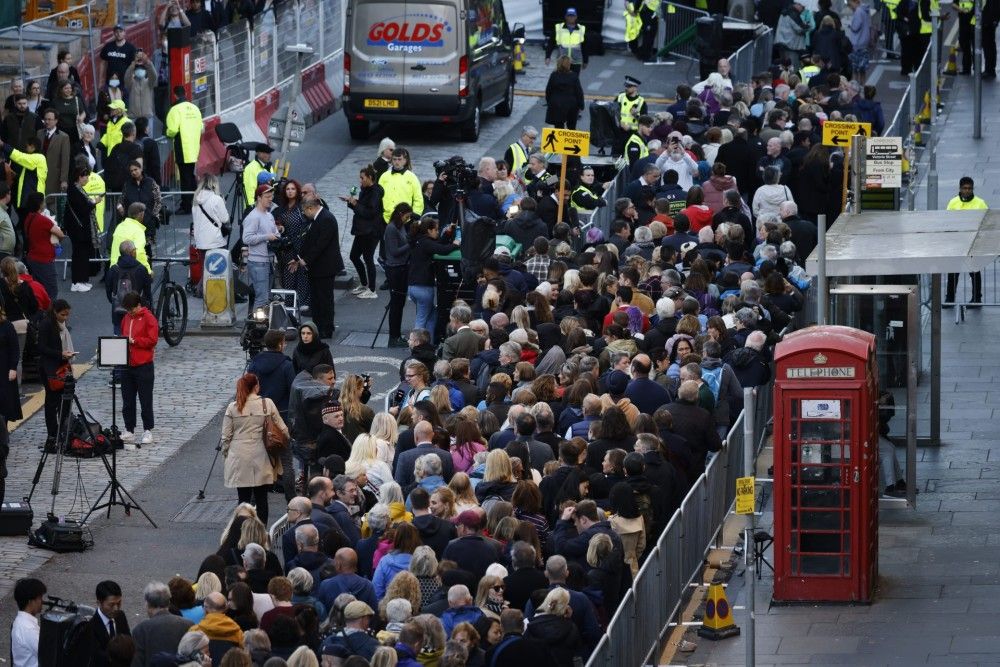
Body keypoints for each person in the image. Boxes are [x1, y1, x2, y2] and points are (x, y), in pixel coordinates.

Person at [222, 373, 289, 524]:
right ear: (256, 387)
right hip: (262, 454)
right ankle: (261, 533)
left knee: (243, 498)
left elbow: (225, 437)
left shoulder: (233, 407)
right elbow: (283, 430)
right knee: (262, 498)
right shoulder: (267, 404)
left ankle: (241, 532)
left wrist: (227, 454)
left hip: (239, 455)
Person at [407, 215, 459, 340]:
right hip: (424, 287)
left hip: (412, 287)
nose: (437, 232)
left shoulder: (418, 241)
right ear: (429, 230)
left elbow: (437, 244)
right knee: (421, 319)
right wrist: (455, 244)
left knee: (432, 315)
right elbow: (442, 249)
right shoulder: (426, 243)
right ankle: (415, 344)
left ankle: (430, 343)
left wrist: (447, 234)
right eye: (436, 230)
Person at [298, 196, 343, 339]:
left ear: (310, 208)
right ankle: (319, 326)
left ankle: (326, 328)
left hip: (325, 267)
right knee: (317, 299)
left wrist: (306, 260)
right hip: (318, 267)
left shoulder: (326, 219)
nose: (304, 214)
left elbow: (320, 244)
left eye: (304, 211)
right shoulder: (319, 218)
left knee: (324, 299)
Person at [119, 291, 159, 446]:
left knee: (145, 400)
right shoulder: (126, 318)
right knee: (127, 400)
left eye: (132, 309)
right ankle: (129, 429)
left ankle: (148, 429)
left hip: (144, 365)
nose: (130, 312)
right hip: (127, 364)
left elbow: (152, 340)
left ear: (138, 305)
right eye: (128, 310)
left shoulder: (149, 318)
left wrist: (134, 341)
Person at [130, 581, 195, 667]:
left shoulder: (140, 629)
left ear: (148, 604)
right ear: (168, 602)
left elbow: (137, 662)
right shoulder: (188, 624)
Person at [946, 177, 989, 305]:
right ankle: (950, 298)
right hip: (957, 244)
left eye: (969, 188)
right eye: (965, 188)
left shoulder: (980, 203)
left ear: (973, 189)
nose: (967, 191)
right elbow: (947, 221)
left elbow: (986, 221)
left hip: (973, 243)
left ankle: (976, 298)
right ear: (960, 189)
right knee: (953, 272)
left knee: (974, 271)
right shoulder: (953, 203)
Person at [345, 165, 384, 299]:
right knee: (354, 256)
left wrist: (356, 204)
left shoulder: (375, 192)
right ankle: (364, 283)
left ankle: (372, 290)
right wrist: (351, 203)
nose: (360, 180)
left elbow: (370, 212)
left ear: (370, 178)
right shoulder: (364, 190)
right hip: (362, 230)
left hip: (371, 231)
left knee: (368, 258)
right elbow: (361, 209)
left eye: (362, 178)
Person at [273, 179, 310, 312]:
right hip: (286, 248)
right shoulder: (281, 208)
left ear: (297, 191)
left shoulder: (301, 207)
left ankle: (304, 307)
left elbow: (306, 227)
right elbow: (275, 224)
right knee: (288, 279)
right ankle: (289, 309)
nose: (290, 191)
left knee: (302, 278)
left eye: (293, 189)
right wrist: (279, 227)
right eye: (288, 189)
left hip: (301, 247)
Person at [165, 86, 203, 212]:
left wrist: (167, 134)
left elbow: (172, 130)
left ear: (175, 95)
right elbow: (201, 127)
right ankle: (196, 201)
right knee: (190, 176)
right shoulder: (195, 108)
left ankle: (186, 206)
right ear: (185, 93)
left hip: (182, 147)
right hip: (193, 147)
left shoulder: (175, 110)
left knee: (185, 178)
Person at [243, 183, 280, 309]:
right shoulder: (253, 217)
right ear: (259, 198)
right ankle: (256, 327)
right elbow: (246, 238)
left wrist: (277, 235)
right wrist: (266, 237)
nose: (271, 199)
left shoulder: (269, 215)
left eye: (271, 196)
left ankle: (260, 324)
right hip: (257, 262)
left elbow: (275, 233)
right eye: (267, 196)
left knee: (266, 297)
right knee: (261, 298)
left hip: (268, 261)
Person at [21, 191, 64, 299]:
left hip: (32, 257)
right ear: (40, 204)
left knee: (39, 288)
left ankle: (40, 311)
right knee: (52, 290)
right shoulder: (43, 220)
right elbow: (61, 234)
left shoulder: (28, 218)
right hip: (44, 259)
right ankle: (49, 314)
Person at [64, 164, 99, 292]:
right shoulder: (74, 191)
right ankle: (77, 281)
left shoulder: (76, 189)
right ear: (79, 177)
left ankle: (82, 280)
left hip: (80, 228)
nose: (87, 179)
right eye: (86, 177)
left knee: (83, 255)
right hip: (78, 229)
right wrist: (94, 202)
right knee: (79, 255)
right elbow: (83, 208)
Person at [80, 580, 131, 667]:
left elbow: (128, 641)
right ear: (99, 603)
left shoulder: (121, 616)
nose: (116, 608)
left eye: (119, 603)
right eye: (111, 605)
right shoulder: (90, 627)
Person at [384, 203, 412, 347]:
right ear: (401, 214)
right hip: (395, 269)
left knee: (399, 304)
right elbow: (394, 251)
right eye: (407, 216)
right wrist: (410, 244)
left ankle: (397, 334)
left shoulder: (400, 226)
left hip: (402, 267)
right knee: (396, 304)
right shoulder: (391, 229)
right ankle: (393, 336)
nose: (408, 219)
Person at [379, 148, 423, 226]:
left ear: (405, 160)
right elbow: (378, 196)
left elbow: (418, 198)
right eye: (394, 159)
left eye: (399, 159)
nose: (397, 162)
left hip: (406, 219)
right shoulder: (384, 176)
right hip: (385, 218)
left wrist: (415, 214)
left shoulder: (412, 177)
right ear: (391, 160)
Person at [110, 202, 152, 277]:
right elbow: (138, 252)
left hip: (115, 269)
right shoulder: (138, 230)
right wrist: (148, 270)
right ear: (140, 214)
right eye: (143, 214)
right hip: (130, 271)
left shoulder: (120, 226)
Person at [192, 173, 230, 255]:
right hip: (215, 241)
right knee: (219, 267)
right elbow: (225, 219)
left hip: (201, 242)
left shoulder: (196, 200)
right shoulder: (217, 199)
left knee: (204, 266)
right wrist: (223, 203)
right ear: (214, 185)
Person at [11, 577, 46, 667]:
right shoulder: (28, 629)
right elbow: (47, 654)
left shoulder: (20, 622)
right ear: (30, 601)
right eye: (40, 598)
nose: (42, 601)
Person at [544, 56, 584, 130]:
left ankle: (560, 141)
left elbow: (548, 90)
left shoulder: (554, 75)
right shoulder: (573, 76)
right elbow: (579, 92)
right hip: (571, 105)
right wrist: (581, 105)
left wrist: (549, 102)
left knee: (558, 128)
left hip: (557, 104)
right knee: (571, 128)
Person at [36, 108, 70, 195]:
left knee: (52, 202)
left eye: (50, 119)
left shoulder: (63, 137)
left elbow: (65, 160)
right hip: (39, 174)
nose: (47, 122)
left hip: (54, 176)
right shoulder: (39, 133)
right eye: (45, 119)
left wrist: (64, 180)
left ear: (56, 121)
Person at [545, 7, 587, 74]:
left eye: (572, 16)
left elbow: (585, 46)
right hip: (562, 61)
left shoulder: (581, 29)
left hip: (575, 61)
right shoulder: (559, 28)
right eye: (569, 16)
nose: (571, 17)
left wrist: (585, 61)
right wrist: (547, 57)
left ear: (576, 17)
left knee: (574, 81)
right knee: (561, 80)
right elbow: (551, 43)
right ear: (565, 17)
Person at [99, 24, 137, 88]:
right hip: (110, 81)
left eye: (120, 31)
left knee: (124, 98)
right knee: (111, 98)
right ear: (114, 33)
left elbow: (134, 65)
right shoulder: (108, 46)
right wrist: (101, 80)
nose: (118, 34)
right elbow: (103, 63)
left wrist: (132, 79)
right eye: (116, 32)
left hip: (125, 82)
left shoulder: (131, 48)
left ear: (124, 32)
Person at [243, 144, 275, 208]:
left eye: (269, 153)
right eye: (266, 153)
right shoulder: (251, 168)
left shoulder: (269, 166)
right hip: (255, 207)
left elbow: (272, 184)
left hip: (266, 205)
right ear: (258, 154)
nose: (269, 156)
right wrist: (250, 207)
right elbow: (249, 190)